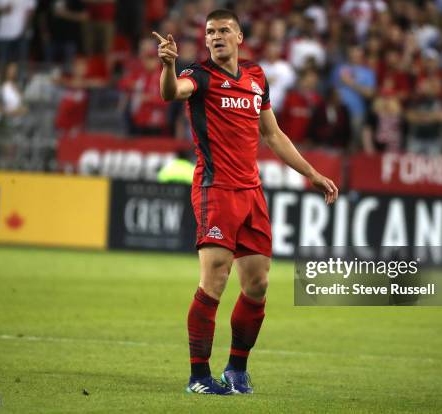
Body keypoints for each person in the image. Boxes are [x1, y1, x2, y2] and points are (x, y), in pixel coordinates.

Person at [152, 9, 338, 395]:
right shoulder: (198, 76)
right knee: (215, 280)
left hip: (251, 193)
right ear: (204, 40)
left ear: (239, 37)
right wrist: (169, 66)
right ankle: (199, 377)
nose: (216, 36)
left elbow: (273, 135)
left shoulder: (256, 77)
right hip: (215, 189)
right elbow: (171, 93)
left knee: (257, 284)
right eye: (209, 32)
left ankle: (236, 369)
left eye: (223, 30)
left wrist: (313, 174)